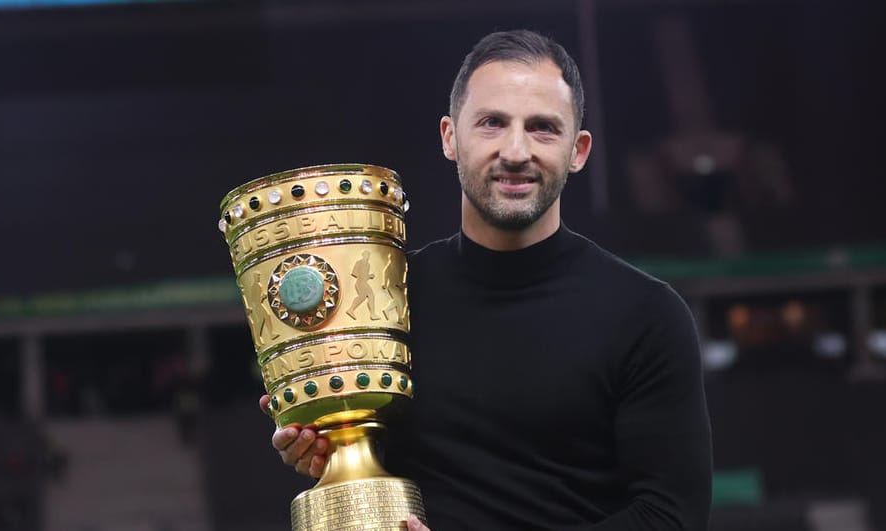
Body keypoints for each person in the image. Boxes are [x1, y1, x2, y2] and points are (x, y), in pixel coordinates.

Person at [260, 29, 713, 530]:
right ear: (451, 138)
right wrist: (327, 443)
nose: (515, 151)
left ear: (578, 150)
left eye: (542, 128)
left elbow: (671, 518)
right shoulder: (384, 299)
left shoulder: (646, 315)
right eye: (492, 123)